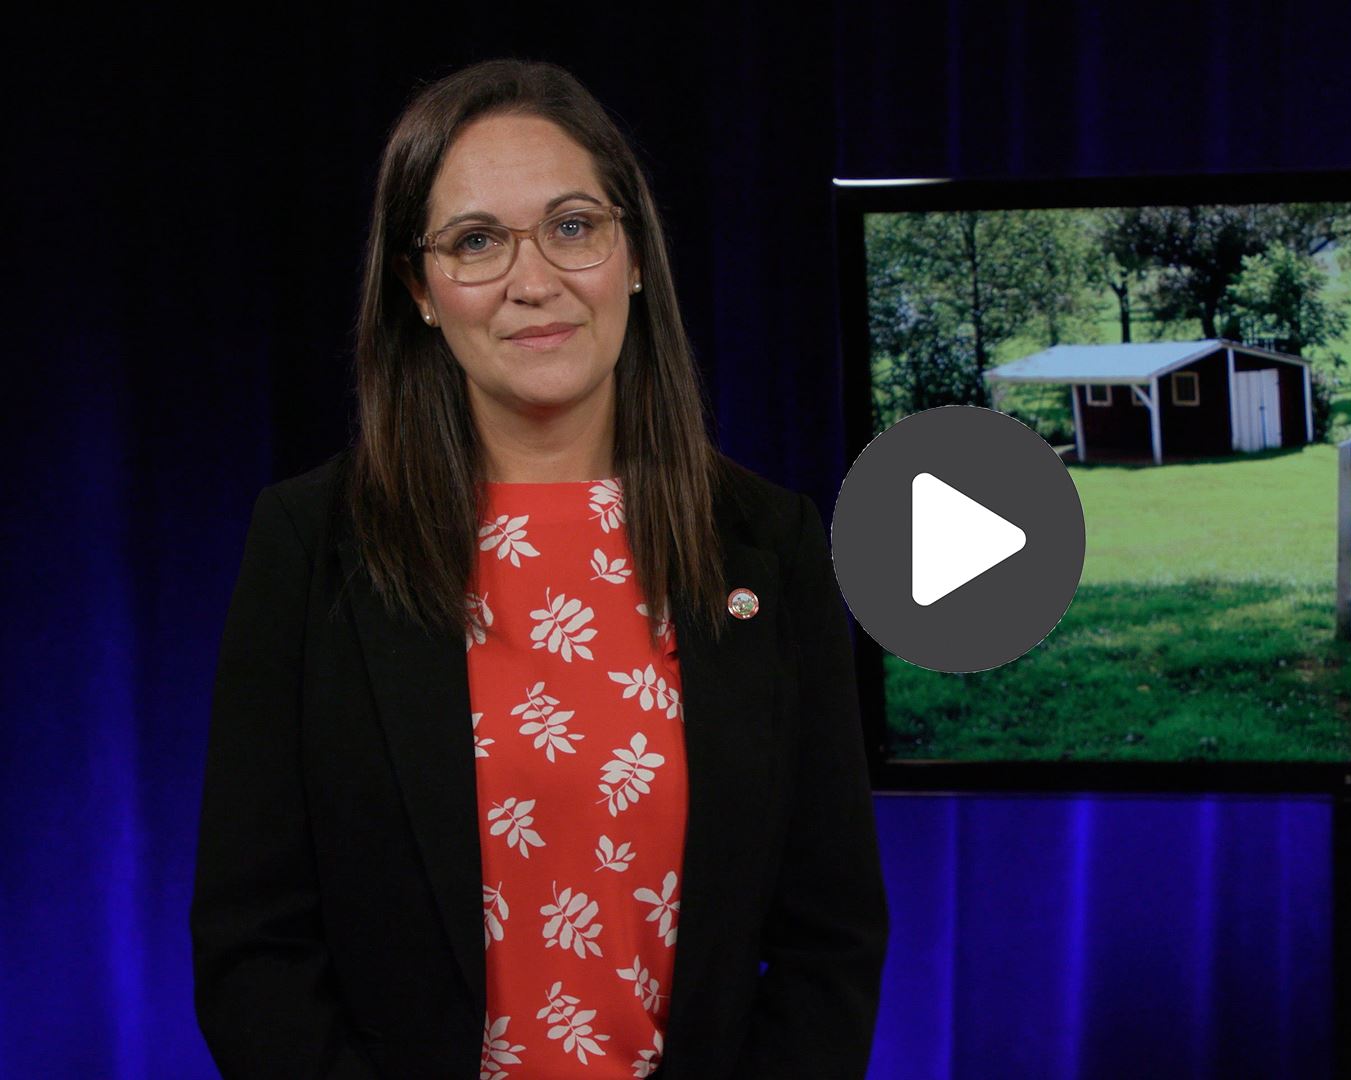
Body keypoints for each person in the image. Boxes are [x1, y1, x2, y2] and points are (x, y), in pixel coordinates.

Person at [191, 58, 888, 1079]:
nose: (534, 281)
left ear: (635, 255)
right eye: (476, 243)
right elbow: (253, 949)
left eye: (572, 226)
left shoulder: (769, 544)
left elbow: (833, 945)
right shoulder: (310, 543)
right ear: (420, 291)